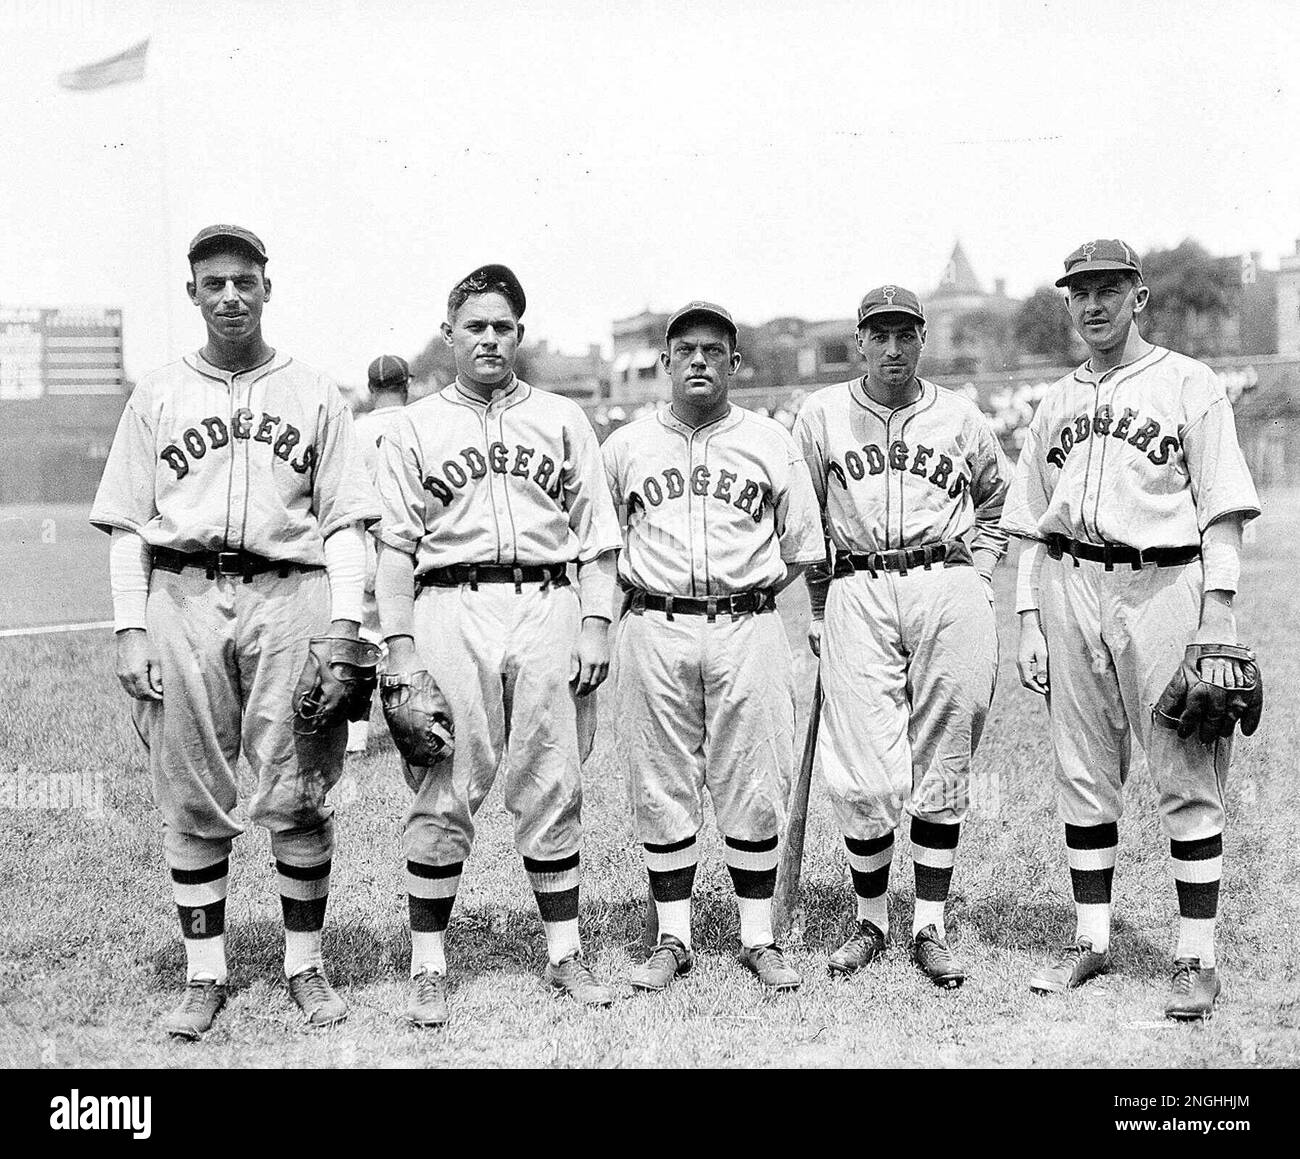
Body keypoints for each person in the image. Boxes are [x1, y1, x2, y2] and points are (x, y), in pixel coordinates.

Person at [89, 224, 378, 1039]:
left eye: (243, 280)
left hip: (290, 595)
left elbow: (347, 523)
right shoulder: (157, 393)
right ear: (192, 293)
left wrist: (345, 633)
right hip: (181, 590)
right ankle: (203, 974)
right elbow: (129, 528)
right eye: (212, 282)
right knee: (190, 787)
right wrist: (129, 629)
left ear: (266, 288)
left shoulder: (316, 391)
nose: (228, 295)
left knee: (299, 782)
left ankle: (304, 964)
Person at [1002, 239, 1260, 1019]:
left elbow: (1221, 507)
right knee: (1083, 772)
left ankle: (1195, 955)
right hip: (1070, 583)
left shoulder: (1189, 382)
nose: (1093, 303)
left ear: (1139, 295)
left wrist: (1217, 611)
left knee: (1184, 769)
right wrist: (1027, 617)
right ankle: (1091, 938)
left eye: (1108, 288)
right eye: (1079, 291)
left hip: (1165, 582)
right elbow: (1030, 524)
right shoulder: (1054, 399)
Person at [374, 263, 622, 1027]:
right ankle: (428, 964)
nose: (489, 338)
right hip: (452, 603)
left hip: (549, 600)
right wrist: (403, 649)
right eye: (475, 325)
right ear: (448, 335)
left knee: (553, 776)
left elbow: (598, 536)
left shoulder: (560, 416)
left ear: (520, 333)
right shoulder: (414, 426)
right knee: (446, 780)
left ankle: (564, 952)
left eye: (503, 326)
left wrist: (595, 621)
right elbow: (392, 550)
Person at [602, 302, 824, 993]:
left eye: (714, 350)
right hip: (653, 621)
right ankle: (674, 936)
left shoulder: (770, 440)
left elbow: (800, 547)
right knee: (660, 777)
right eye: (686, 349)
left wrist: (745, 592)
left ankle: (758, 935)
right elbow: (603, 549)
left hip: (747, 621)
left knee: (755, 774)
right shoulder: (626, 446)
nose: (699, 360)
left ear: (735, 363)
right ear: (666, 363)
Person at [792, 285, 1009, 987]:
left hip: (943, 581)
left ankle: (930, 922)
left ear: (923, 340)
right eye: (878, 336)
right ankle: (871, 918)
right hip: (857, 583)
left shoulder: (960, 414)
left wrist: (978, 574)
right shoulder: (821, 415)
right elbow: (806, 520)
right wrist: (820, 606)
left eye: (904, 335)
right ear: (859, 342)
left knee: (945, 749)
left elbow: (997, 499)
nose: (892, 349)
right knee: (865, 765)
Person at [346, 354, 412, 754]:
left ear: (372, 389)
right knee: (413, 638)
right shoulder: (422, 422)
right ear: (406, 385)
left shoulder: (353, 431)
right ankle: (418, 727)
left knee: (364, 644)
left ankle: (355, 740)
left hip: (366, 544)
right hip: (411, 547)